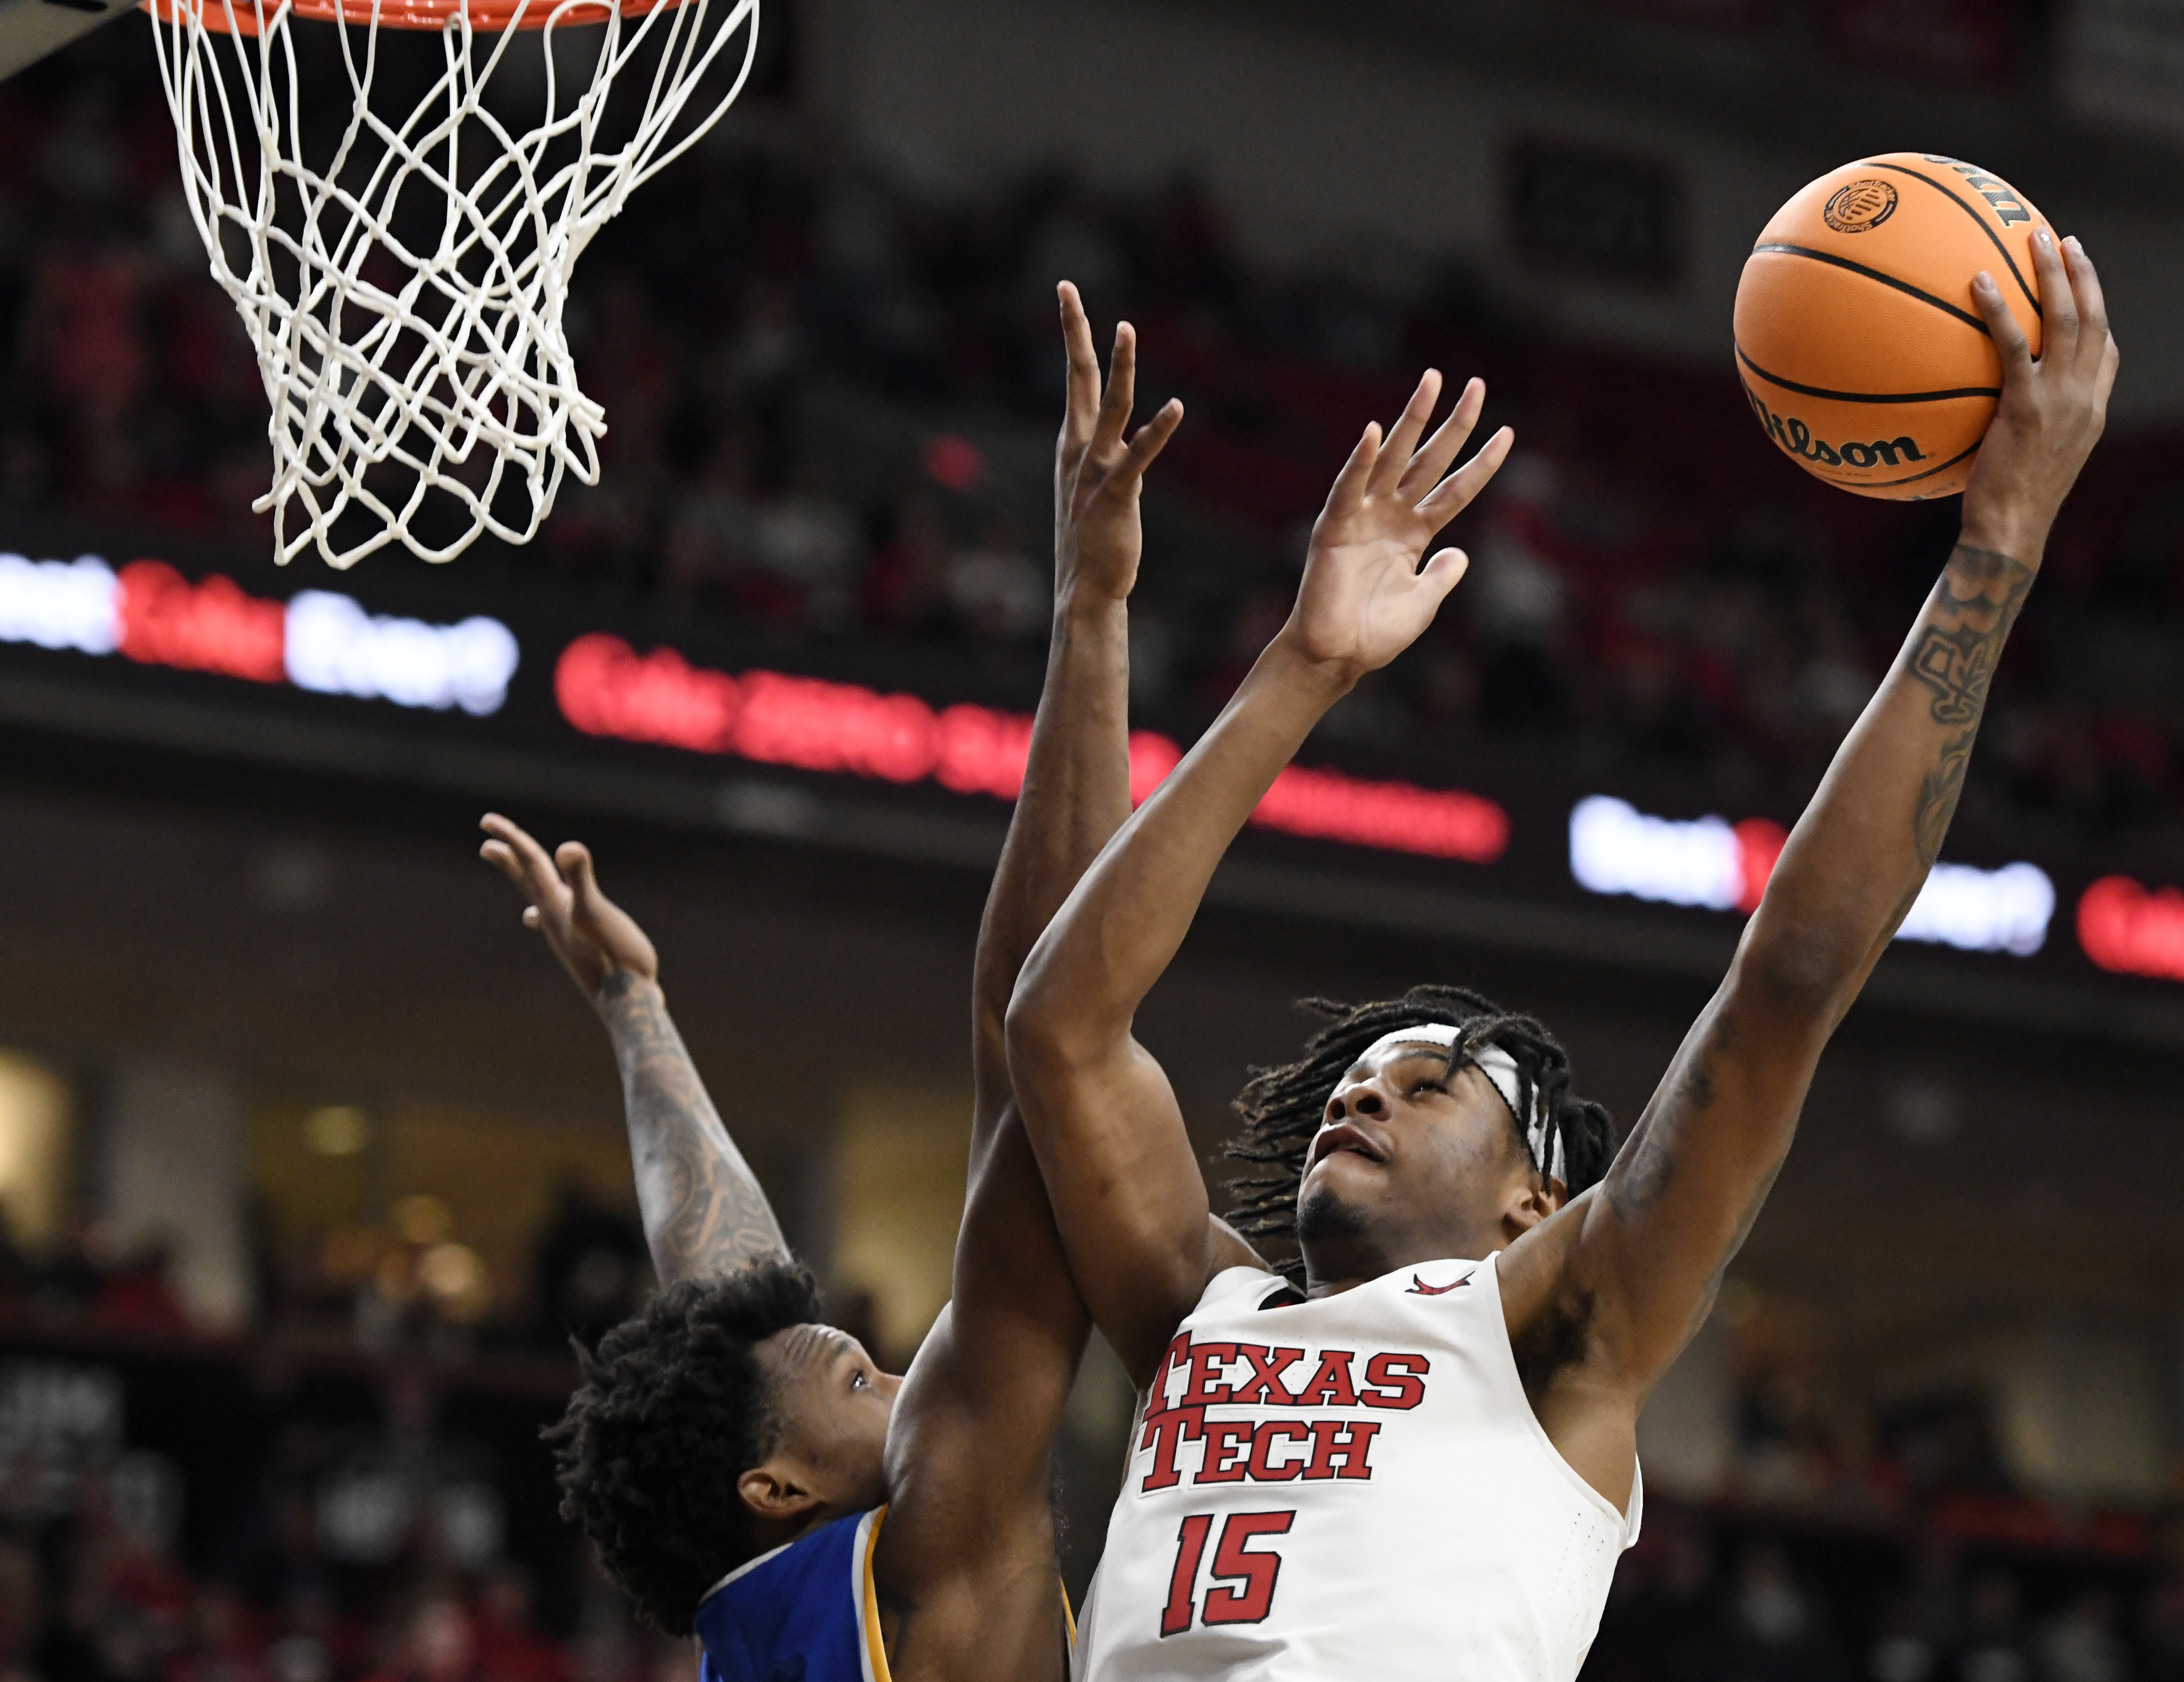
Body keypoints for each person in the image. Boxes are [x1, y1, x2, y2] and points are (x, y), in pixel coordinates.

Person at [1005, 235, 2117, 1679]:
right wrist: (1298, 665)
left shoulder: (1558, 1327)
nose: (1361, 1097)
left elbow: (1783, 982)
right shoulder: (1196, 1301)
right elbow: (1063, 1024)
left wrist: (1996, 547)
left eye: (1425, 1087)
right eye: (1362, 1081)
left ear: (1537, 1198)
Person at [478, 281, 1183, 1682]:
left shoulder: (767, 1603)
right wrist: (1089, 612)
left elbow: (723, 1281)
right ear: (779, 1483)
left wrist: (638, 1013)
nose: (901, 1365)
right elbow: (1030, 1038)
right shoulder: (926, 1546)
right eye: (864, 1377)